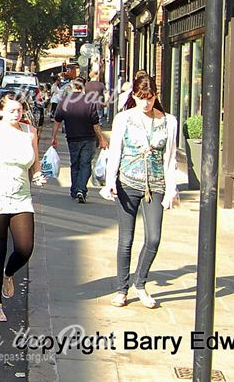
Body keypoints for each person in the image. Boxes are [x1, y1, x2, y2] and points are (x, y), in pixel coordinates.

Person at [100, 74, 179, 309]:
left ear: (156, 96)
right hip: (127, 183)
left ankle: (140, 282)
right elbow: (116, 151)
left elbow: (170, 156)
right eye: (141, 97)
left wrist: (171, 189)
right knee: (126, 240)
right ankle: (121, 289)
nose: (146, 103)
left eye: (150, 97)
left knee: (153, 237)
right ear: (133, 96)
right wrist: (110, 181)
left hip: (156, 185)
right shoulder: (123, 118)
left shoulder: (169, 121)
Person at [0, 92, 44, 322]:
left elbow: (35, 163)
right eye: (12, 110)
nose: (17, 114)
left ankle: (9, 273)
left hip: (21, 197)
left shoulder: (29, 132)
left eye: (20, 110)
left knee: (25, 248)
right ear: (1, 111)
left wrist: (38, 175)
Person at [51, 79, 109, 203]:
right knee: (85, 164)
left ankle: (74, 189)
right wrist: (101, 139)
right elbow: (95, 124)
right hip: (89, 137)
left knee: (75, 163)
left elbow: (57, 121)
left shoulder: (64, 102)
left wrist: (53, 137)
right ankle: (81, 189)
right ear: (83, 88)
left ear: (71, 87)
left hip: (72, 138)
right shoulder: (90, 102)